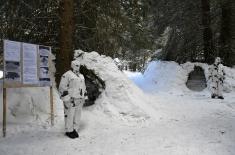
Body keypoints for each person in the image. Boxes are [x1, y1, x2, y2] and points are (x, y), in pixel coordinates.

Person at [59, 63, 87, 139]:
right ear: (72, 65)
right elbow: (62, 87)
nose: (77, 67)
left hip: (79, 99)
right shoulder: (67, 75)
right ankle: (69, 130)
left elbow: (83, 87)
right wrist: (67, 98)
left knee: (77, 115)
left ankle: (75, 129)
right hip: (71, 99)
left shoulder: (81, 76)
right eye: (76, 65)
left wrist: (84, 96)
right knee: (69, 115)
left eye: (79, 65)